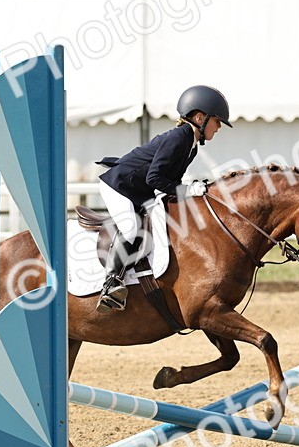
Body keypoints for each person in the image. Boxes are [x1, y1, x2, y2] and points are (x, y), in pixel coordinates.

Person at [95, 85, 231, 311]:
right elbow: (154, 178)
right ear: (200, 117)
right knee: (130, 229)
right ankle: (110, 284)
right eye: (217, 121)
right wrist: (187, 190)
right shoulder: (178, 138)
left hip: (139, 190)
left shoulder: (191, 145)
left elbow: (167, 183)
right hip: (118, 186)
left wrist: (190, 191)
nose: (218, 128)